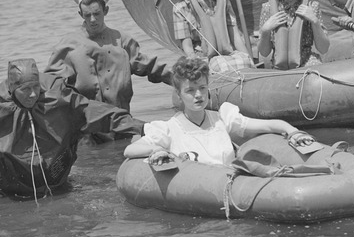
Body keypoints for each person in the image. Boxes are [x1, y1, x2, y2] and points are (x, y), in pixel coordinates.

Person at [0, 58, 145, 199]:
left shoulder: (56, 98)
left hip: (55, 180)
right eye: (25, 90)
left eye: (35, 88)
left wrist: (141, 127)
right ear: (12, 90)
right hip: (8, 189)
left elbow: (96, 112)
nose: (32, 94)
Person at [124, 56, 315, 168]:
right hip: (200, 191)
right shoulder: (168, 130)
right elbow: (129, 150)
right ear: (179, 95)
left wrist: (291, 131)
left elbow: (267, 124)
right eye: (190, 91)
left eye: (202, 88)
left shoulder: (222, 118)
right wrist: (158, 149)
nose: (198, 95)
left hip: (233, 184)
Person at [45, 0, 172, 116]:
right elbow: (50, 84)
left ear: (106, 11)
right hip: (85, 121)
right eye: (87, 15)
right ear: (80, 14)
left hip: (121, 118)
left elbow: (149, 66)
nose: (93, 19)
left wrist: (179, 80)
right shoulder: (68, 44)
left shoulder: (122, 40)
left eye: (97, 13)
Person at [171, 0, 252, 72]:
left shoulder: (223, 1)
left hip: (227, 54)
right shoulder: (180, 8)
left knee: (244, 61)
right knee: (221, 66)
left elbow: (235, 36)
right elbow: (187, 47)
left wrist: (249, 59)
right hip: (203, 58)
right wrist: (197, 67)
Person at [257, 0, 331, 69]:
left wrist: (315, 21)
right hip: (279, 66)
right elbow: (264, 53)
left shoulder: (312, 7)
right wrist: (265, 30)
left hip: (307, 62)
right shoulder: (267, 9)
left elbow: (323, 49)